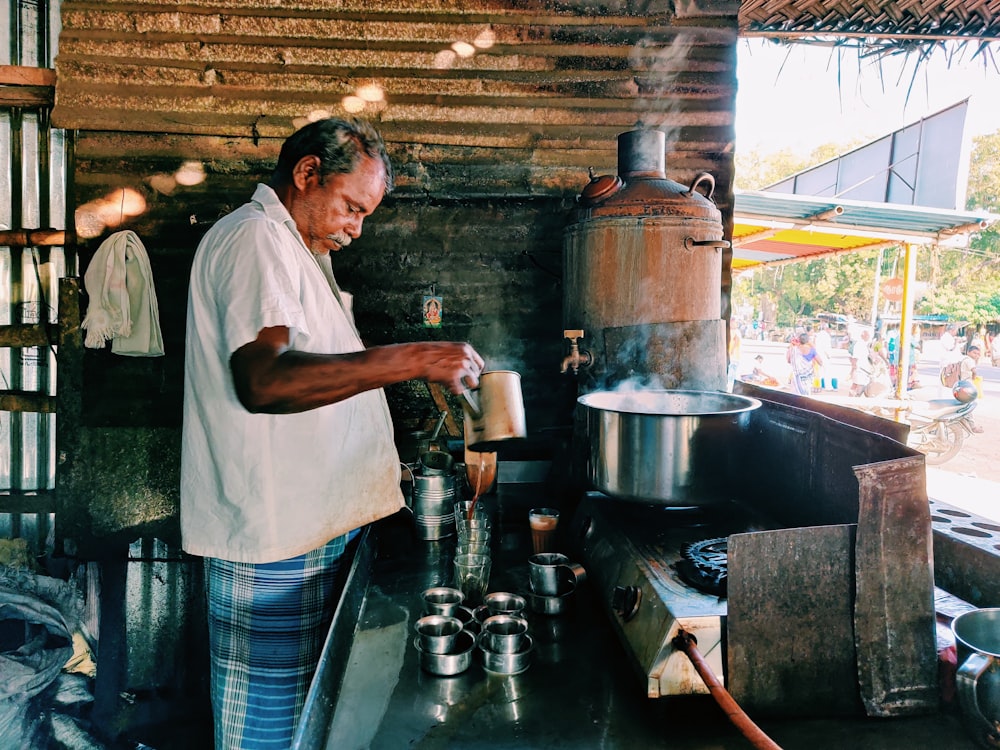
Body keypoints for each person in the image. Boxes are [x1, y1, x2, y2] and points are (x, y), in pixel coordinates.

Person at [179, 117, 485, 750]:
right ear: (306, 174)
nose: (356, 228)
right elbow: (264, 382)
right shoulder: (257, 239)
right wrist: (413, 358)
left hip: (307, 534)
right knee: (268, 733)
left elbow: (318, 382)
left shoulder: (296, 252)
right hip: (274, 548)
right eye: (352, 207)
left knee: (310, 724)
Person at [786, 331, 823, 396]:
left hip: (797, 378)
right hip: (808, 377)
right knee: (806, 394)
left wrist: (791, 346)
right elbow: (820, 362)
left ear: (799, 340)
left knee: (796, 396)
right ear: (808, 341)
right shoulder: (812, 350)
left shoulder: (793, 349)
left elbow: (789, 361)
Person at [848, 328, 873, 397]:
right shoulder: (859, 344)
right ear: (863, 335)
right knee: (859, 386)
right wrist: (853, 368)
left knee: (855, 384)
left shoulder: (864, 344)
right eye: (868, 335)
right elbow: (854, 357)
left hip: (863, 369)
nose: (869, 337)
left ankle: (850, 398)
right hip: (860, 369)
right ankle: (855, 398)